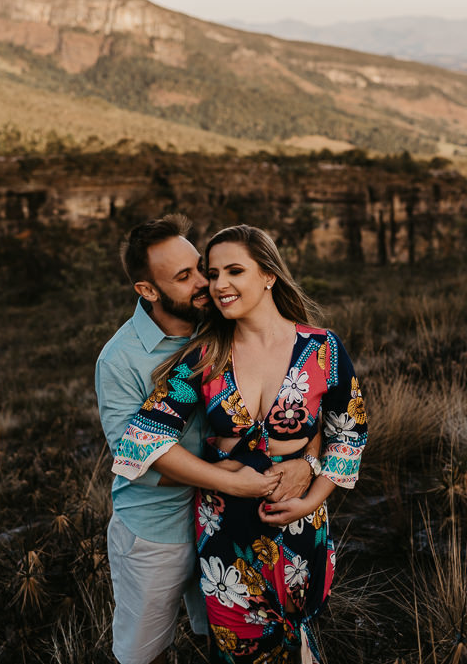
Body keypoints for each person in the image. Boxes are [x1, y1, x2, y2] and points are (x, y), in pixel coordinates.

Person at [112, 224, 368, 663]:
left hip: (302, 531)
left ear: (268, 274)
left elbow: (349, 429)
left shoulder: (322, 348)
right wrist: (231, 483)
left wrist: (312, 497)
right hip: (226, 541)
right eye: (212, 274)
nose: (219, 285)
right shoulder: (205, 356)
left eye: (234, 270)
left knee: (300, 643)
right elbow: (143, 441)